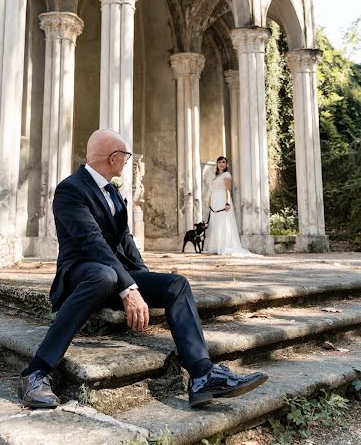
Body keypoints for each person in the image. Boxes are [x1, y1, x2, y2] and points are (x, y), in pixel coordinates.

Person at [17, 130, 267, 408]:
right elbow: (92, 242)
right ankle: (36, 372)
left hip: (114, 275)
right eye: (125, 156)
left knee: (176, 283)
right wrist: (130, 288)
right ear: (113, 157)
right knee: (105, 275)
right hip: (81, 273)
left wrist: (143, 278)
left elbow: (125, 240)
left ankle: (202, 374)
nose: (126, 161)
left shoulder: (113, 191)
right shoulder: (70, 189)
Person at [204, 156, 255, 256]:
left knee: (223, 223)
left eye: (223, 162)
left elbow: (228, 190)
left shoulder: (227, 174)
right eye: (219, 162)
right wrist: (210, 201)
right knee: (216, 223)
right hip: (215, 202)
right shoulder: (216, 176)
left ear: (226, 164)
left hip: (222, 200)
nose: (221, 164)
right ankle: (217, 246)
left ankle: (225, 246)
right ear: (217, 164)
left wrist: (227, 203)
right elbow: (213, 190)